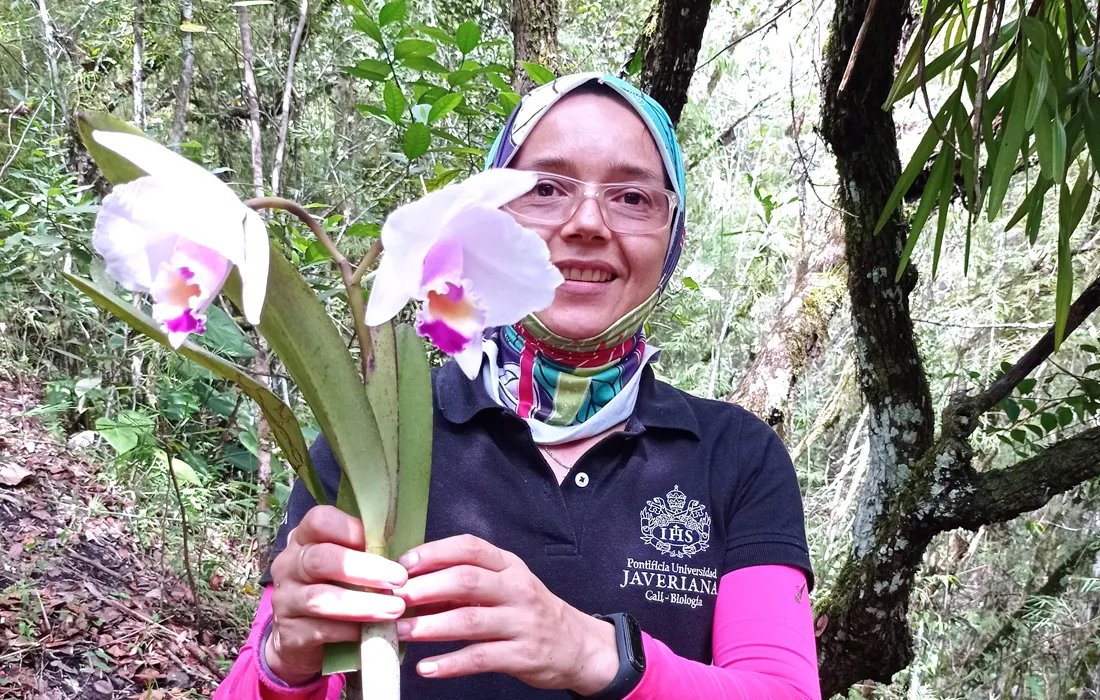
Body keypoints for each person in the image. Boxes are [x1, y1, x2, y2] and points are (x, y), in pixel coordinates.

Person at [215, 72, 820, 700]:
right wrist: (288, 662)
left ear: (674, 237)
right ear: (486, 222)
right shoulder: (376, 437)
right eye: (545, 188)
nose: (587, 222)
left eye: (632, 198)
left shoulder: (736, 455)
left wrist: (592, 652)